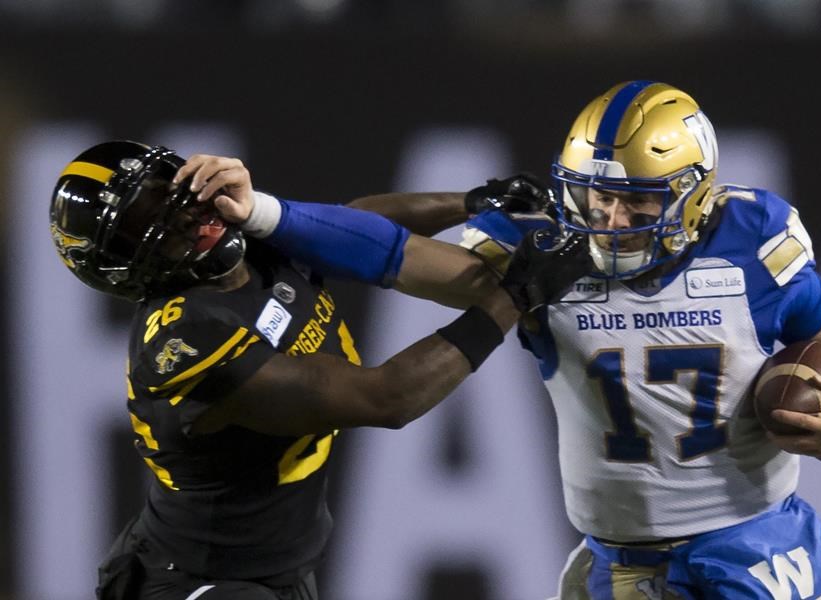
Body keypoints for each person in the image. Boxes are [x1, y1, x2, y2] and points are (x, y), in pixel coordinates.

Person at [282, 81, 821, 599]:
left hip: (749, 551)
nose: (609, 220)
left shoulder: (751, 247)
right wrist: (264, 214)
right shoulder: (547, 254)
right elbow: (379, 246)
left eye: (636, 202)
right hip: (618, 562)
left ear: (692, 194)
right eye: (597, 195)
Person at [48, 140, 590, 600]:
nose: (180, 215)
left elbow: (352, 224)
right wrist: (517, 294)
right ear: (118, 266)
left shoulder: (252, 240)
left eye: (167, 192)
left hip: (277, 566)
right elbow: (387, 399)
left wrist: (471, 202)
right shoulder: (186, 336)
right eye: (145, 221)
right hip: (208, 577)